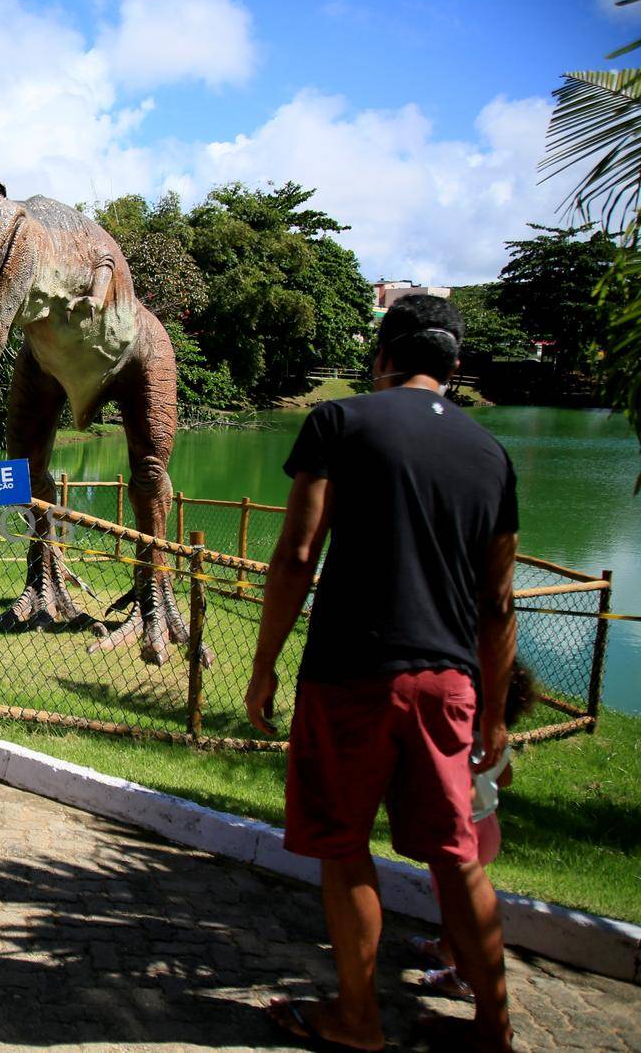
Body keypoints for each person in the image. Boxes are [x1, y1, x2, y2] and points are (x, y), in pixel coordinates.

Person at [244, 294, 519, 1052]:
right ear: (455, 367)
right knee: (456, 854)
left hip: (351, 672)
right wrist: (493, 711)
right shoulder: (493, 455)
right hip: (451, 680)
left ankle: (357, 1018)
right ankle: (494, 1031)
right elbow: (498, 602)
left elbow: (298, 554)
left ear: (383, 355)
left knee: (343, 843)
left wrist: (264, 666)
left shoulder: (341, 422)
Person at [414, 663, 537, 1001]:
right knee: (460, 901)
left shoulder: (459, 742)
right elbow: (506, 778)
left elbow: (456, 790)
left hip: (462, 834)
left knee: (458, 906)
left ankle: (464, 977)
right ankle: (445, 948)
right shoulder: (498, 742)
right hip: (489, 827)